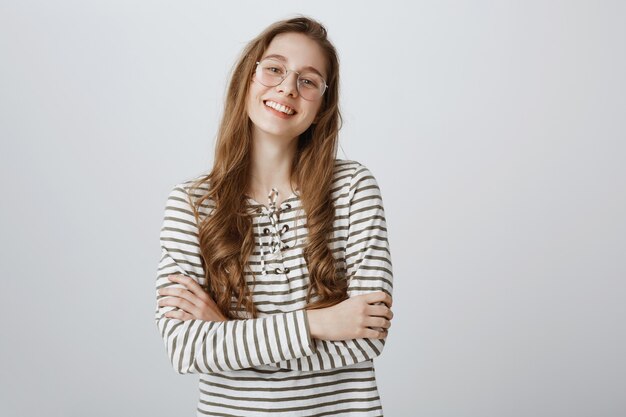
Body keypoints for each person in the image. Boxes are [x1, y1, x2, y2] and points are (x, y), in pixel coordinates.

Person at [154, 15, 394, 416]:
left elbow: (367, 338)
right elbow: (186, 349)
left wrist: (227, 336)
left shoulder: (353, 189)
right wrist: (318, 324)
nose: (287, 87)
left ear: (320, 107)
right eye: (275, 69)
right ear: (247, 79)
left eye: (308, 80)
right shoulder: (192, 204)